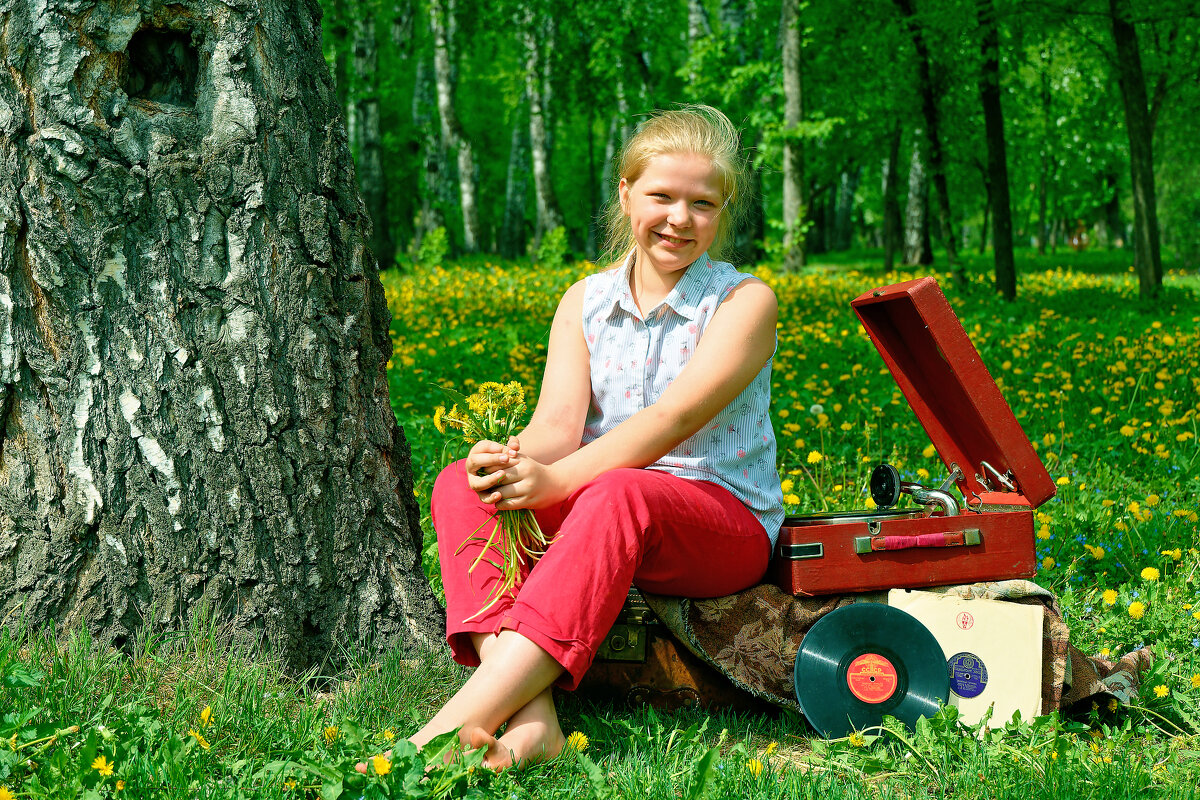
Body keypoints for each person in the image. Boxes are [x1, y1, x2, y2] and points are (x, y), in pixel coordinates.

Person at [394, 104, 783, 771]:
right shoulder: (585, 301)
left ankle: (452, 727)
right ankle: (535, 717)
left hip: (722, 521)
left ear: (723, 211)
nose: (679, 219)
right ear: (627, 193)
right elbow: (556, 426)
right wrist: (512, 460)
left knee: (618, 492)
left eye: (703, 203)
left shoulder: (744, 303)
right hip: (607, 500)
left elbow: (669, 423)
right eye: (661, 196)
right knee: (464, 484)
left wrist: (559, 482)